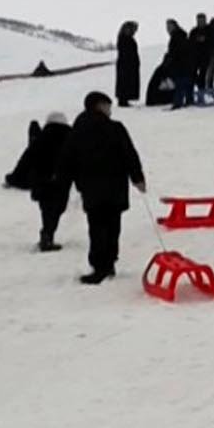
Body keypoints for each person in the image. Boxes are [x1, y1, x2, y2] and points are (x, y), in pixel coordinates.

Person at [56, 92, 147, 285]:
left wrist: (65, 182)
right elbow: (129, 154)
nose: (110, 110)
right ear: (99, 106)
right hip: (115, 186)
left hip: (91, 187)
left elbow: (68, 158)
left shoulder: (78, 129)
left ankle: (100, 266)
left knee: (96, 226)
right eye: (108, 106)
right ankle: (108, 263)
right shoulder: (115, 128)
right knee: (113, 225)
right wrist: (137, 178)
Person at [6, 112, 72, 250]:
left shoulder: (41, 138)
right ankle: (48, 234)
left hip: (41, 181)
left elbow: (26, 159)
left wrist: (14, 178)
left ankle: (46, 234)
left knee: (46, 208)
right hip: (61, 181)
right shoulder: (70, 137)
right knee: (57, 208)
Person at [115, 21, 141, 108]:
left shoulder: (125, 38)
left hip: (128, 64)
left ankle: (124, 99)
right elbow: (126, 53)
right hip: (126, 65)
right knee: (124, 81)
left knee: (126, 82)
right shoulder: (124, 39)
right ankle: (123, 99)